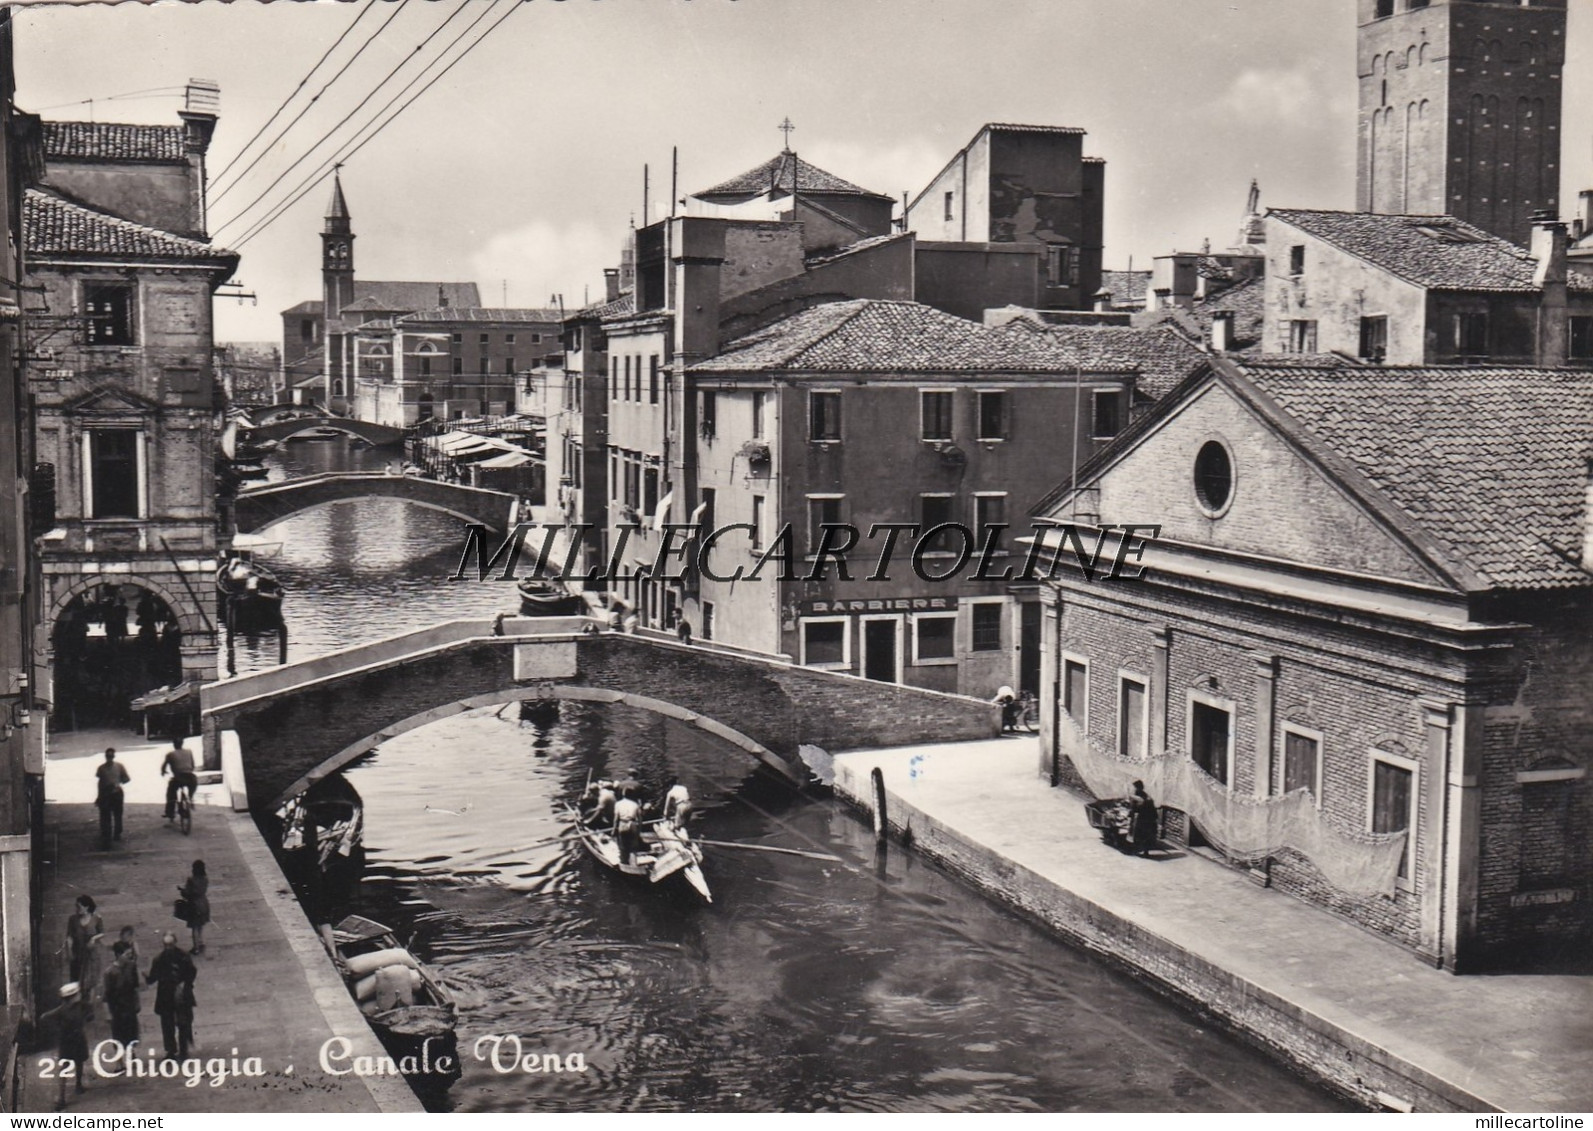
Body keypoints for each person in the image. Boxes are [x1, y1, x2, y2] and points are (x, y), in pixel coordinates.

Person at [146, 932, 197, 1062]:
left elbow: (191, 972)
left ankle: (183, 1050)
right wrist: (147, 978)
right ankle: (170, 1050)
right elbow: (153, 977)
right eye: (166, 945)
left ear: (175, 943)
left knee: (183, 1022)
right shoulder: (159, 959)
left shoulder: (183, 957)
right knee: (167, 1024)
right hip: (166, 995)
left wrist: (185, 985)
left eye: (170, 944)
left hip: (181, 993)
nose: (168, 947)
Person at [38, 983, 89, 1109]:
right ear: (72, 997)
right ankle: (74, 1088)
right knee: (77, 1062)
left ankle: (64, 1095)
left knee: (68, 1065)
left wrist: (57, 1027)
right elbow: (89, 1016)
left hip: (66, 1040)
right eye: (77, 994)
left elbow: (44, 1017)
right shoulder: (80, 1007)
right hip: (75, 1039)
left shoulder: (62, 1009)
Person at [64, 896, 105, 1016]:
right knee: (77, 981)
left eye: (79, 906)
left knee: (90, 983)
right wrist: (69, 952)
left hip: (91, 956)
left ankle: (89, 1009)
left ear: (86, 907)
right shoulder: (72, 920)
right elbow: (69, 937)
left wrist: (94, 938)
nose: (76, 909)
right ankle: (78, 1007)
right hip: (78, 955)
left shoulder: (97, 918)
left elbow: (102, 933)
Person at [104, 941, 141, 1046]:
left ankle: (131, 1055)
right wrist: (108, 1013)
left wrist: (137, 1003)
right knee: (119, 1037)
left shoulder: (132, 966)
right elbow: (106, 995)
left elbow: (135, 986)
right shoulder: (110, 972)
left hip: (130, 1007)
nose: (129, 957)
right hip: (117, 1009)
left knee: (132, 1035)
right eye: (127, 954)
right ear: (118, 955)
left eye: (130, 954)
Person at [94, 748, 129, 848]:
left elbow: (126, 779)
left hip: (116, 793)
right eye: (108, 756)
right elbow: (100, 783)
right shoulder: (101, 768)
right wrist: (99, 796)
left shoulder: (119, 766)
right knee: (105, 815)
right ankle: (107, 834)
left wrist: (117, 783)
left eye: (111, 756)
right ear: (105, 757)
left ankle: (117, 833)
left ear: (113, 757)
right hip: (105, 794)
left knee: (117, 814)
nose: (109, 758)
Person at [161, 737, 198, 823]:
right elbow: (192, 765)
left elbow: (164, 766)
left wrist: (163, 772)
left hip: (178, 778)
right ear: (182, 743)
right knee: (192, 786)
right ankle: (190, 798)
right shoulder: (189, 752)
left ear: (174, 745)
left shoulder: (170, 754)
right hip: (191, 777)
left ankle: (170, 812)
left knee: (171, 793)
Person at [178, 861, 210, 955]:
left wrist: (182, 890)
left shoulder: (191, 880)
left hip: (194, 905)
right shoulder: (205, 879)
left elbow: (188, 893)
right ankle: (201, 942)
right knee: (200, 925)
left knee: (194, 927)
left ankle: (195, 947)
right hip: (204, 903)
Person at [1129, 779, 1159, 856]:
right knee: (1147, 835)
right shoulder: (1146, 795)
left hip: (1143, 818)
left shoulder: (1138, 796)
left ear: (1138, 787)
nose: (1135, 789)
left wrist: (1131, 814)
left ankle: (1138, 850)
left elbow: (1134, 808)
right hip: (1150, 818)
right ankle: (1145, 851)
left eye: (1135, 787)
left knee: (1139, 834)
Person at [613, 789, 642, 865]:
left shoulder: (618, 804)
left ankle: (624, 863)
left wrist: (613, 830)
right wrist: (638, 831)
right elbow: (639, 819)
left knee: (623, 846)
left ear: (623, 795)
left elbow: (616, 819)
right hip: (632, 824)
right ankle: (634, 865)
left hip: (622, 824)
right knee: (633, 847)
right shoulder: (635, 804)